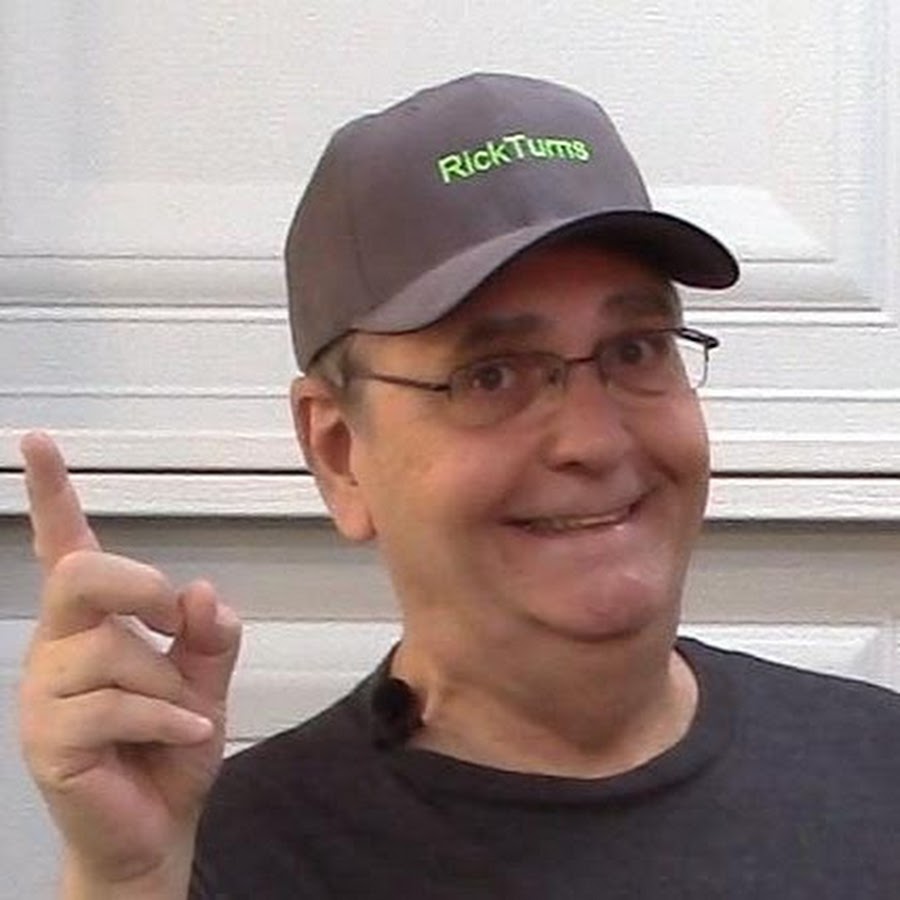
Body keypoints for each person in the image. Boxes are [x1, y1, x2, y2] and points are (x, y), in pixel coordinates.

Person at [17, 73, 900, 899]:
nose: (593, 440)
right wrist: (126, 883)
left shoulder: (877, 768)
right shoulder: (224, 851)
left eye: (636, 350)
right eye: (492, 375)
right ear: (338, 451)